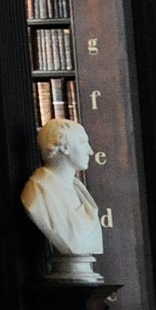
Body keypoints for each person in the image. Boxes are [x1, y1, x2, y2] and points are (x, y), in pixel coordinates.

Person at [22, 117, 104, 283]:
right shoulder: (39, 191)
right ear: (65, 147)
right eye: (83, 142)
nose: (90, 151)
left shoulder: (78, 189)